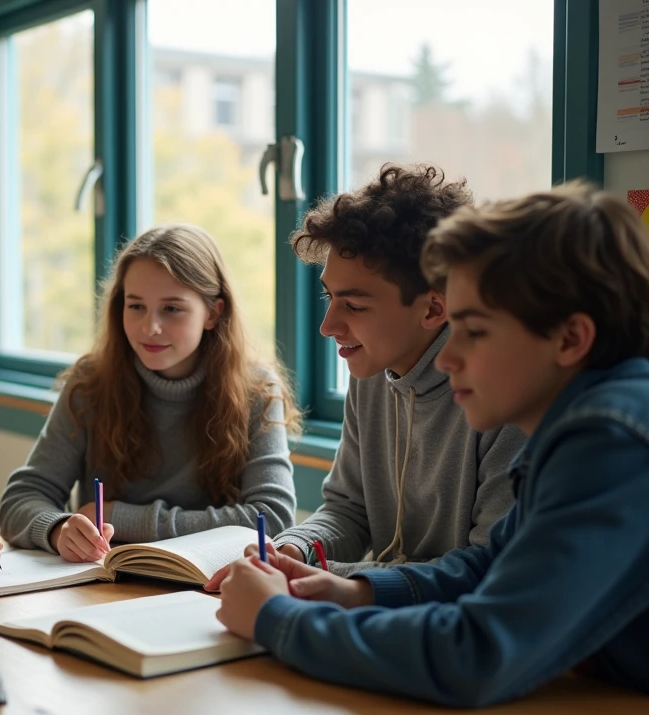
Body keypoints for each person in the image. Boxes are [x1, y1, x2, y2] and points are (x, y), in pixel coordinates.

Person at [216, 182, 649, 706]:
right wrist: (356, 592)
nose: (448, 358)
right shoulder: (580, 422)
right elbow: (492, 569)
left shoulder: (612, 442)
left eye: (474, 331)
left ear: (570, 339)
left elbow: (477, 652)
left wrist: (281, 620)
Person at [218, 164, 525, 582]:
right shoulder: (369, 373)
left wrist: (334, 580)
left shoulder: (508, 398)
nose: (328, 326)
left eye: (355, 305)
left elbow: (491, 568)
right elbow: (349, 509)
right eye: (329, 297)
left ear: (434, 309)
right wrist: (295, 549)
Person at [0, 224, 298, 562]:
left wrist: (121, 517)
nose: (149, 327)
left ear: (213, 313)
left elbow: (271, 519)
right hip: (105, 585)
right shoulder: (90, 381)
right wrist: (58, 528)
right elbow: (21, 499)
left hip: (212, 589)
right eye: (136, 306)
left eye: (171, 309)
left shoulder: (256, 389)